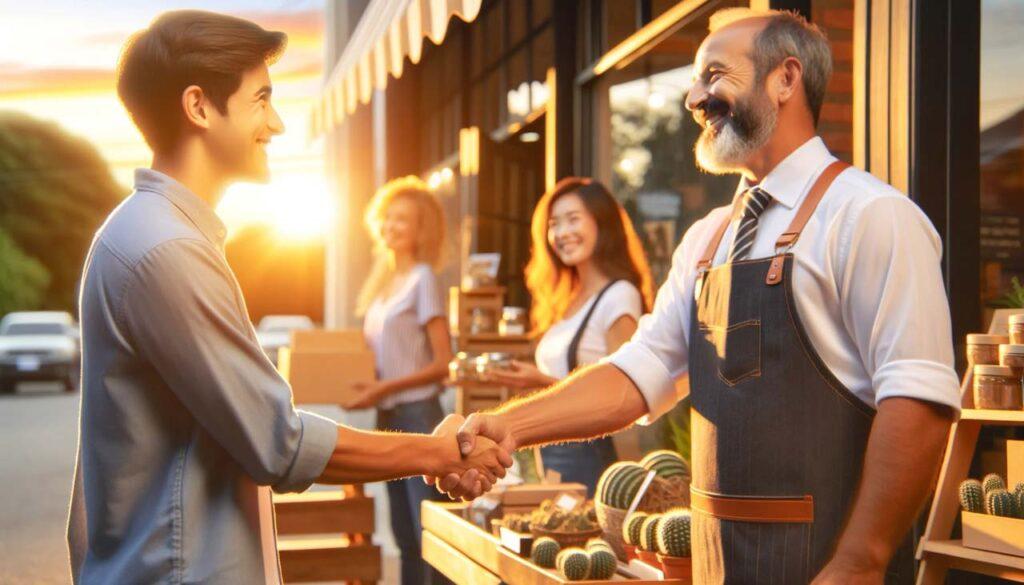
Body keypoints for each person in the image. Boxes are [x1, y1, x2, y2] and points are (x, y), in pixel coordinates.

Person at [433, 8, 960, 585]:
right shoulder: (708, 237)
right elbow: (642, 368)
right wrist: (510, 426)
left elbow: (919, 399)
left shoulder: (870, 215)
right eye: (694, 79)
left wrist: (862, 560)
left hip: (824, 567)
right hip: (710, 563)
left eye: (713, 74)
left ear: (785, 80)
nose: (693, 97)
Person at [67, 12, 510, 584]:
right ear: (199, 107)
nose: (275, 124)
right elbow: (278, 442)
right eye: (261, 100)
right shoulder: (165, 248)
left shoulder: (155, 234)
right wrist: (441, 452)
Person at [484, 177, 653, 495]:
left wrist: (541, 382)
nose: (562, 233)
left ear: (601, 223)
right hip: (553, 452)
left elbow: (623, 393)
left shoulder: (619, 296)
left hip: (591, 458)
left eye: (573, 219)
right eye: (554, 224)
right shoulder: (567, 299)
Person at [346, 176, 453, 585]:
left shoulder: (423, 278)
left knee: (429, 532)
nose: (392, 226)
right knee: (403, 534)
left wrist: (383, 388)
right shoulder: (382, 284)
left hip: (418, 415)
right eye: (388, 217)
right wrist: (360, 384)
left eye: (403, 220)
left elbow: (443, 362)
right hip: (387, 414)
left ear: (420, 229)